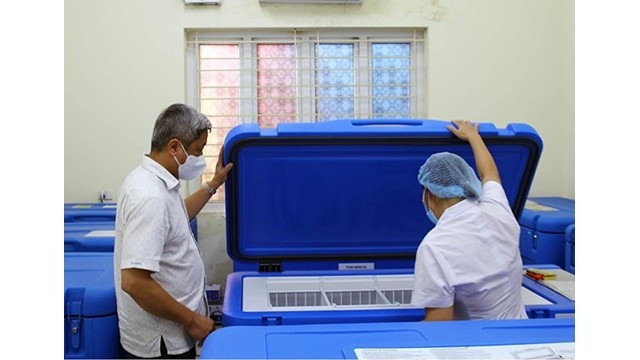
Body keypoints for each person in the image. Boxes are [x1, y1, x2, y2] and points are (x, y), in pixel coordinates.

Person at [114, 103, 234, 358]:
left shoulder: (154, 181)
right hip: (161, 345)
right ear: (174, 147)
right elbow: (134, 282)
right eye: (198, 151)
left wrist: (214, 184)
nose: (200, 158)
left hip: (170, 336)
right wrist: (192, 319)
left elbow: (176, 218)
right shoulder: (149, 196)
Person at [411, 119, 527, 321]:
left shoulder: (435, 246)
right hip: (521, 335)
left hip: (481, 345)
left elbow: (439, 324)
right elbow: (490, 173)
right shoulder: (497, 207)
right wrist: (474, 137)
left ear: (429, 194)